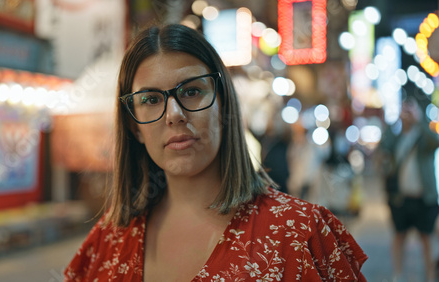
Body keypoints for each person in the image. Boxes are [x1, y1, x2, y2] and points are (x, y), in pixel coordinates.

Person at [64, 24, 367, 281]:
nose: (174, 114)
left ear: (223, 105)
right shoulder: (108, 242)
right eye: (151, 99)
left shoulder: (300, 233)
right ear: (134, 127)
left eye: (192, 91)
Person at [379, 97, 439, 282]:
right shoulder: (396, 138)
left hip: (424, 197)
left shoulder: (423, 138)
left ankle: (430, 276)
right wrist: (395, 121)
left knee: (426, 238)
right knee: (399, 236)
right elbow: (384, 146)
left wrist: (420, 119)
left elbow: (435, 141)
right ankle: (397, 274)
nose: (407, 115)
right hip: (401, 198)